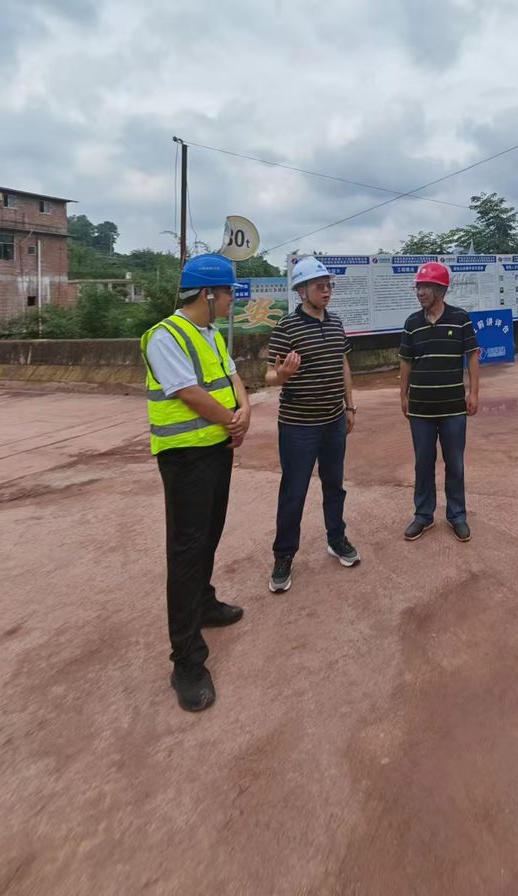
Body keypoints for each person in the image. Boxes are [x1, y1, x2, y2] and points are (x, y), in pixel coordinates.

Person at [141, 253, 251, 712]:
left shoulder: (210, 334)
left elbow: (233, 376)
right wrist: (231, 420)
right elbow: (188, 392)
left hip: (217, 450)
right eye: (227, 294)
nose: (230, 301)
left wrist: (244, 411)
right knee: (186, 551)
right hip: (185, 459)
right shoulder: (166, 336)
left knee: (209, 536)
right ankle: (186, 660)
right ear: (207, 293)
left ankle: (204, 604)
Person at [265, 256, 359, 593]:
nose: (326, 290)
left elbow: (343, 364)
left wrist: (349, 406)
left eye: (328, 285)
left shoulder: (336, 323)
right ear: (301, 291)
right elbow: (268, 374)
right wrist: (282, 375)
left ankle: (336, 538)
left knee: (335, 486)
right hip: (298, 427)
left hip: (333, 422)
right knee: (294, 492)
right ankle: (284, 555)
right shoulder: (287, 327)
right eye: (320, 286)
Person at [399, 261, 480, 542]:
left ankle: (457, 515)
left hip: (453, 407)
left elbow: (472, 355)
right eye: (418, 287)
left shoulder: (460, 318)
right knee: (423, 463)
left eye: (426, 287)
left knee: (455, 463)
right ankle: (423, 515)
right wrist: (403, 395)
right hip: (420, 408)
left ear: (441, 290)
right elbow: (406, 361)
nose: (420, 292)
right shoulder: (412, 323)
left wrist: (474, 393)